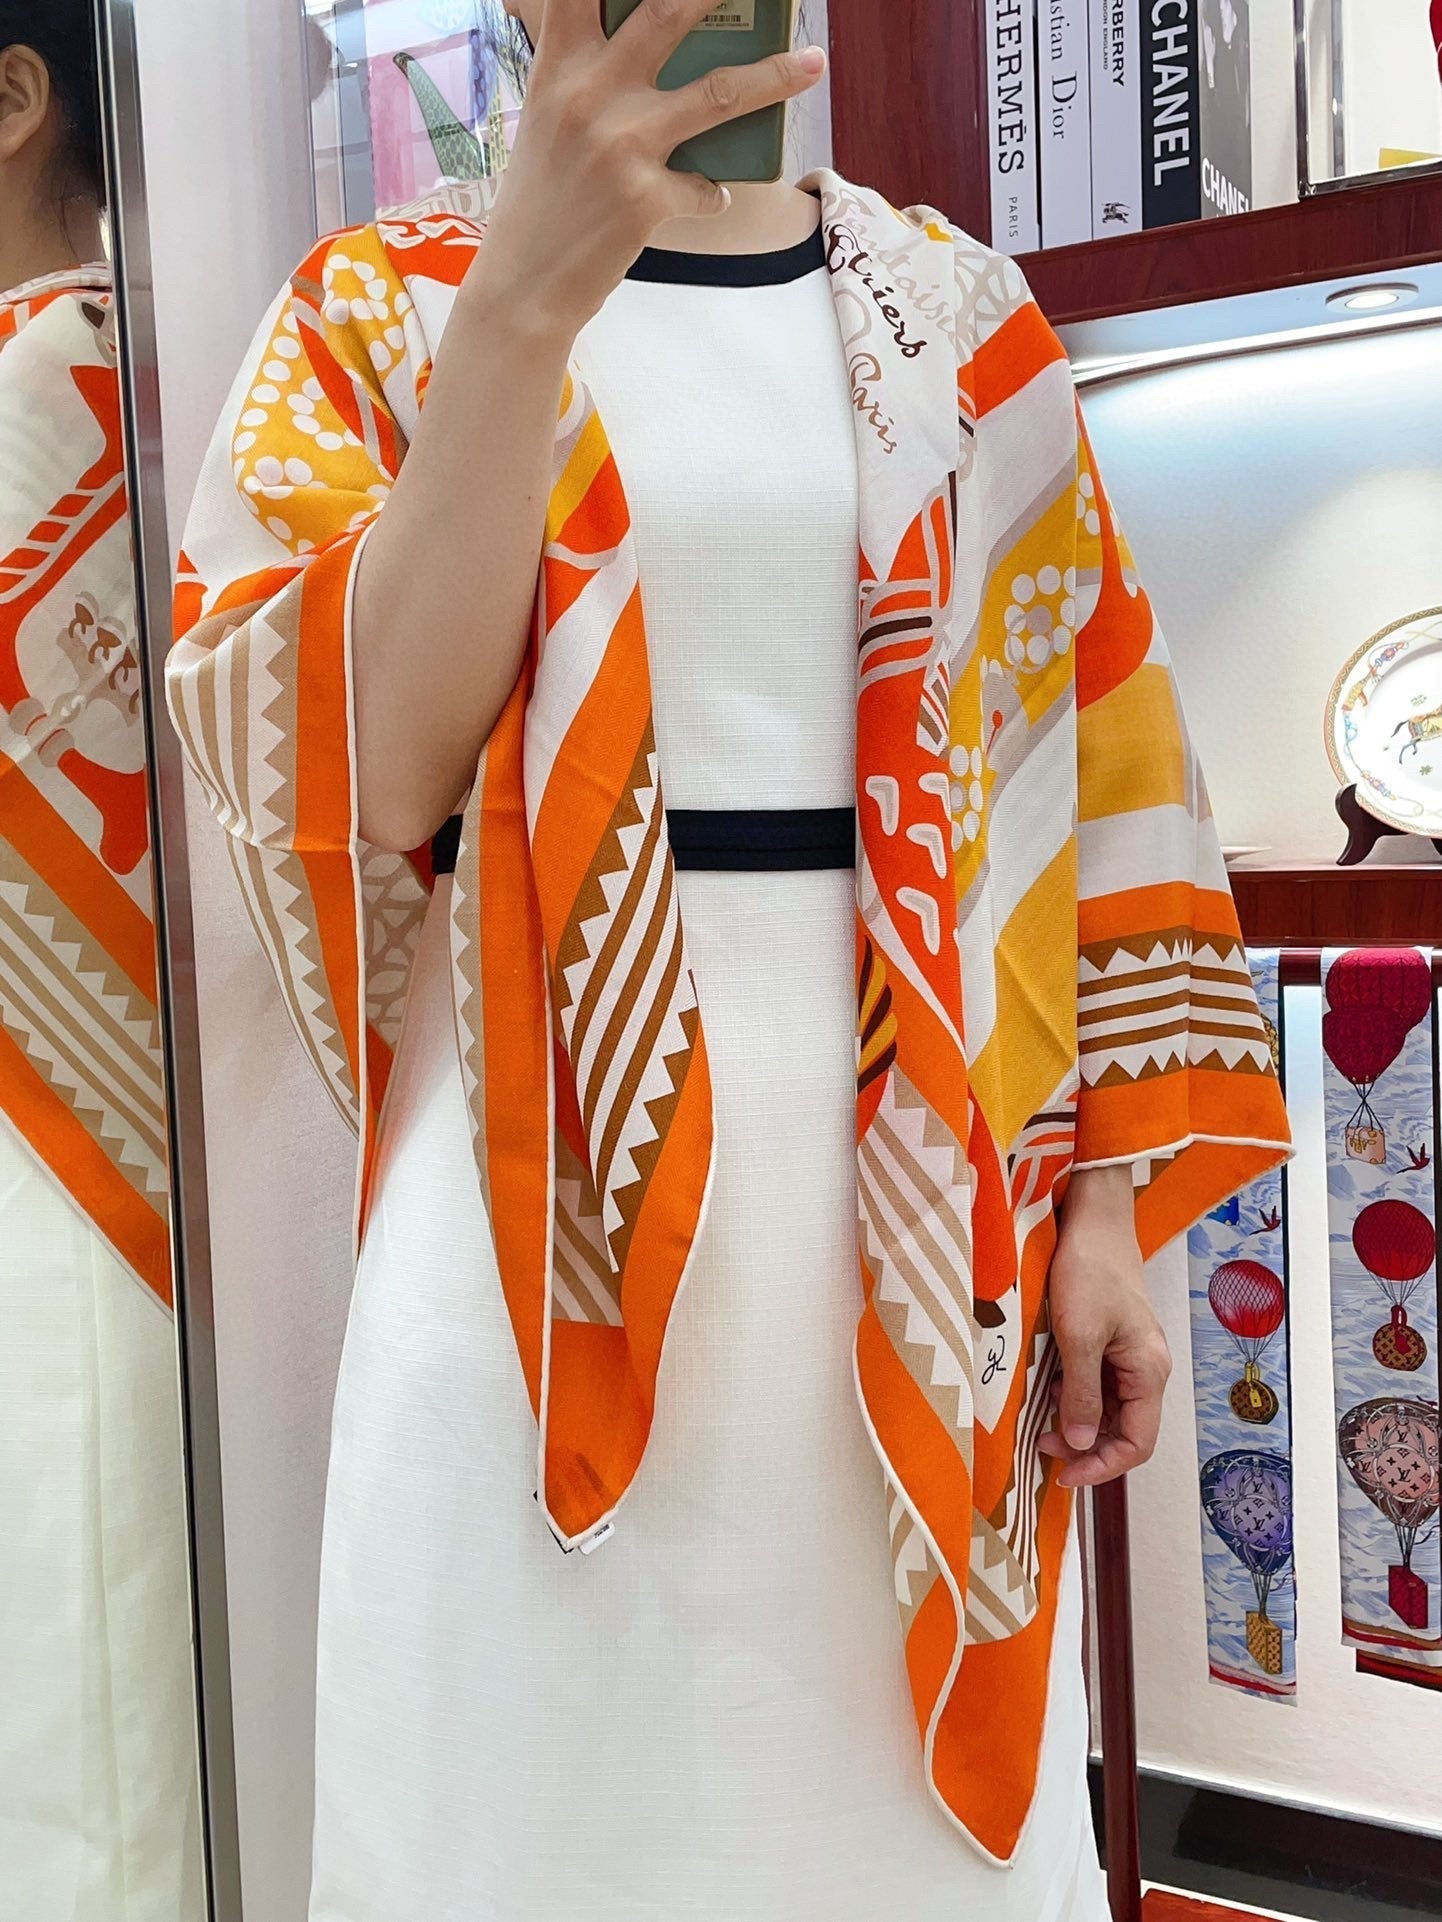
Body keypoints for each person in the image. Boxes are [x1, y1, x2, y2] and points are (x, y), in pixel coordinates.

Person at [169, 2, 1292, 1917]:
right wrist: (524, 299)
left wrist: (1105, 1207)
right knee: (525, 1818)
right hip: (524, 1233)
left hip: (929, 1222)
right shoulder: (380, 304)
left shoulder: (958, 316)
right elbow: (362, 777)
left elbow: (1093, 771)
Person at [0, 7, 201, 1918]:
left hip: (54, 1137)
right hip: (135, 1114)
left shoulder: (44, 372)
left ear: (16, 97)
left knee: (84, 1698)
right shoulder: (171, 357)